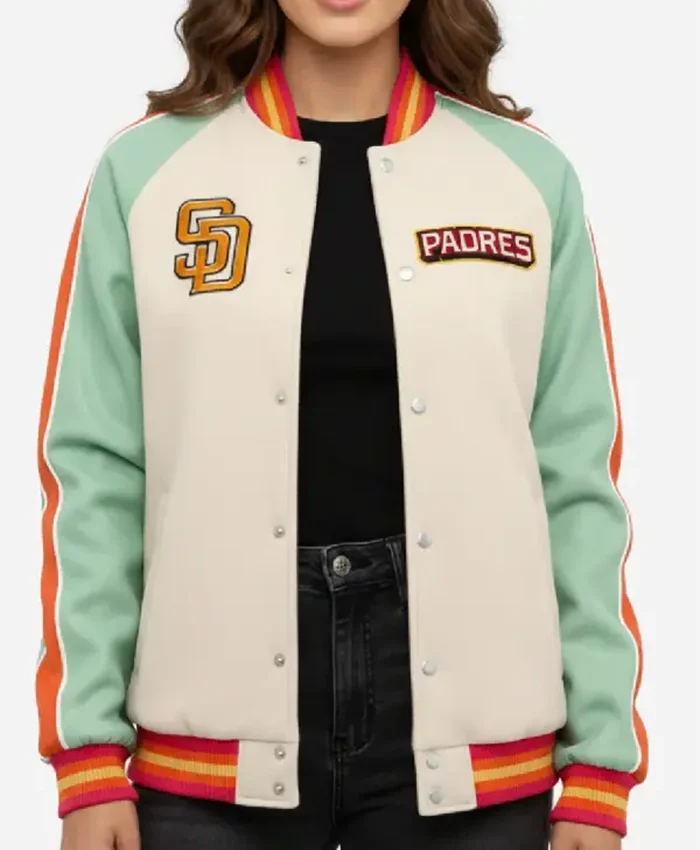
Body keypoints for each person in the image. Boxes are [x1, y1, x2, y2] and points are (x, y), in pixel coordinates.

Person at [36, 0, 648, 848]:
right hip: (204, 736)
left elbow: (576, 478)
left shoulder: (528, 179)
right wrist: (88, 755)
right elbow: (96, 472)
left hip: (479, 741)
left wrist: (599, 766)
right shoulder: (145, 174)